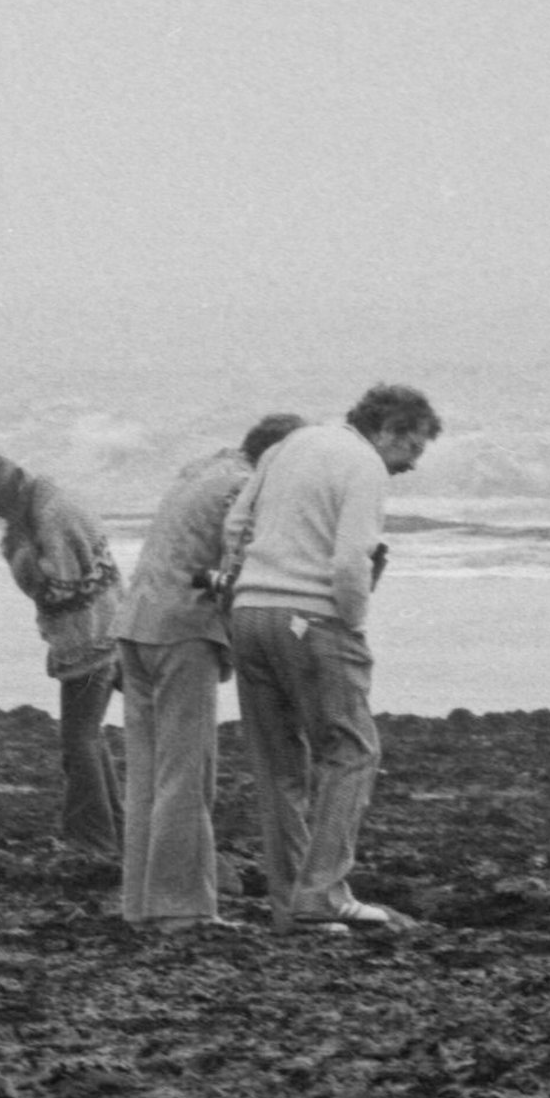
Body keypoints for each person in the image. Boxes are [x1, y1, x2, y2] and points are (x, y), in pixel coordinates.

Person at [221, 383, 441, 933]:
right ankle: (322, 894)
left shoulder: (287, 446)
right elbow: (350, 560)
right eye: (410, 451)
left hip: (250, 613)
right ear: (389, 430)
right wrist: (353, 619)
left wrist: (244, 582)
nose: (408, 467)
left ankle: (291, 906)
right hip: (312, 619)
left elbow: (234, 525)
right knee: (352, 752)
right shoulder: (363, 464)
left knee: (279, 769)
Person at [112, 414, 305, 931]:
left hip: (134, 624)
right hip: (182, 631)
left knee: (147, 777)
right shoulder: (243, 488)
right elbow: (240, 569)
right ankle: (183, 907)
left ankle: (141, 903)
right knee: (186, 774)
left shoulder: (201, 472)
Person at [0, 453, 123, 857]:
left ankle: (91, 839)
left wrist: (19, 558)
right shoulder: (53, 504)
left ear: (13, 487)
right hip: (106, 632)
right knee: (88, 736)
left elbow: (56, 588)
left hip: (88, 644)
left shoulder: (52, 516)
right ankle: (114, 832)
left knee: (79, 741)